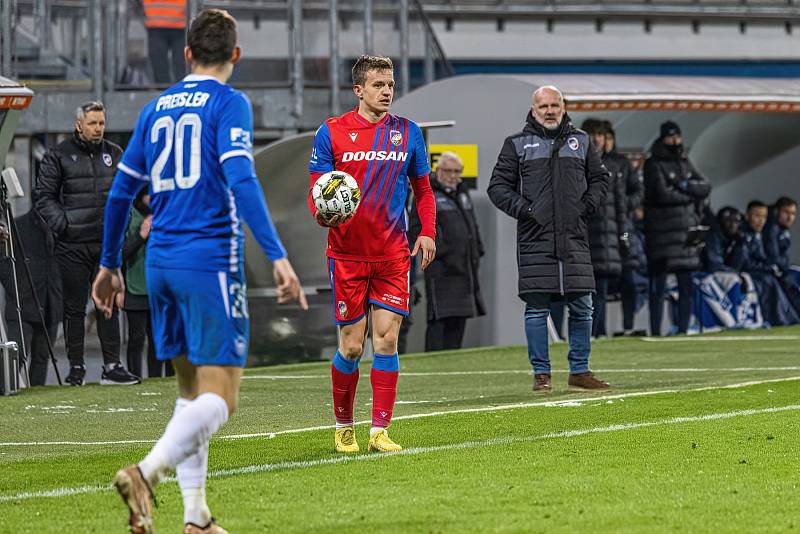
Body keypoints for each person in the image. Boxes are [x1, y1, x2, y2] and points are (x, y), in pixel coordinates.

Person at [92, 9, 307, 533]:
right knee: (222, 398)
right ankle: (145, 473)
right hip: (207, 259)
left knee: (191, 393)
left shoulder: (155, 107)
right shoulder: (229, 103)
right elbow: (240, 176)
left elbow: (121, 192)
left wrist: (108, 264)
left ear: (186, 53)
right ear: (236, 55)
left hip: (160, 262)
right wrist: (278, 254)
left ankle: (197, 518)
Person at [308, 54, 436, 454]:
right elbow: (317, 191)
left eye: (391, 85)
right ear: (359, 89)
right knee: (351, 345)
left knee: (386, 341)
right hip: (346, 255)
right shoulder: (331, 132)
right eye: (379, 85)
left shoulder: (408, 133)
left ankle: (379, 430)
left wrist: (427, 232)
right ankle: (343, 424)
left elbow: (424, 191)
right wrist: (323, 213)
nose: (387, 92)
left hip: (393, 255)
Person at [487, 85, 610, 393]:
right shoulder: (516, 144)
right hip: (535, 239)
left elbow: (600, 179)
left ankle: (579, 371)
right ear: (533, 109)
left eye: (555, 105)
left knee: (583, 306)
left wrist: (585, 207)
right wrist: (526, 210)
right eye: (544, 106)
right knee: (537, 309)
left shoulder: (581, 141)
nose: (550, 110)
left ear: (564, 107)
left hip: (574, 238)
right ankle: (541, 374)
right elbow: (498, 187)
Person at [34, 101, 140, 386]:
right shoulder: (58, 155)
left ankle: (112, 366)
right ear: (79, 124)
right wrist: (65, 226)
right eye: (93, 123)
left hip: (105, 245)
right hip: (72, 246)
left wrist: (119, 229)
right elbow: (43, 197)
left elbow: (126, 196)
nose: (98, 128)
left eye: (102, 123)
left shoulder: (115, 154)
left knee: (108, 305)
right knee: (74, 308)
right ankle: (77, 369)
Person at [408, 151, 486, 351]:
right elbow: (417, 229)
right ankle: (432, 363)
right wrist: (444, 250)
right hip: (441, 270)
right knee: (439, 321)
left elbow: (472, 224)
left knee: (459, 320)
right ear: (438, 170)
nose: (453, 176)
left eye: (457, 171)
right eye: (448, 171)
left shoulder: (462, 192)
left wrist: (476, 248)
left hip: (465, 269)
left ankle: (454, 364)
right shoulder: (427, 195)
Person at [643, 120, 711, 336]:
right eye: (671, 137)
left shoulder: (684, 161)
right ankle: (655, 331)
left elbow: (706, 186)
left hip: (685, 236)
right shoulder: (653, 163)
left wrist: (684, 186)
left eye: (677, 137)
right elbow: (662, 194)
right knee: (658, 288)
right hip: (662, 237)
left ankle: (683, 329)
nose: (675, 141)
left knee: (686, 286)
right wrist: (690, 194)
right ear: (663, 138)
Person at [0, 210, 61, 386]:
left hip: (50, 302)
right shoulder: (17, 226)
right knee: (15, 356)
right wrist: (18, 289)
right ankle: (7, 389)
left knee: (42, 357)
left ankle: (37, 391)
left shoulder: (59, 227)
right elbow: (4, 263)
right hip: (22, 303)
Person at [120, 187, 173, 378]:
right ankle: (134, 377)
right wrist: (141, 235)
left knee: (159, 339)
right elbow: (121, 253)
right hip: (135, 288)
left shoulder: (167, 213)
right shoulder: (129, 215)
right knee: (136, 338)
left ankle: (157, 379)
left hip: (161, 289)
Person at [583, 120, 627, 337]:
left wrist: (623, 235)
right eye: (593, 134)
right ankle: (588, 333)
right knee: (586, 291)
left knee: (601, 289)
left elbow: (621, 206)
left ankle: (598, 332)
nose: (597, 138)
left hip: (608, 238)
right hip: (587, 236)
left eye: (600, 134)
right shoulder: (578, 163)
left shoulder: (613, 167)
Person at [738, 200, 798, 326]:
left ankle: (789, 317)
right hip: (745, 274)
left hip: (758, 272)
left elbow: (763, 257)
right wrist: (769, 267)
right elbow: (744, 262)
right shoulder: (744, 235)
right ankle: (780, 319)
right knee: (771, 281)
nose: (761, 220)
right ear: (747, 216)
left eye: (764, 217)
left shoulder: (757, 234)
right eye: (757, 216)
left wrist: (769, 267)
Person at [764, 196, 800, 314]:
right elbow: (774, 257)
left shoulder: (781, 229)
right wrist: (784, 262)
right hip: (768, 269)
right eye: (786, 212)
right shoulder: (771, 228)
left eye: (793, 213)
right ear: (776, 211)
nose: (790, 217)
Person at [143, 0, 187, 84]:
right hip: (157, 26)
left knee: (181, 66)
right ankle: (166, 91)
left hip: (179, 27)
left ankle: (178, 90)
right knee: (160, 65)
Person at [703, 206, 744, 274]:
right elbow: (715, 266)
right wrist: (736, 274)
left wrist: (739, 247)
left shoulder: (736, 238)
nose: (732, 225)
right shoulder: (713, 236)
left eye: (736, 221)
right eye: (728, 220)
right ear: (720, 222)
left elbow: (737, 266)